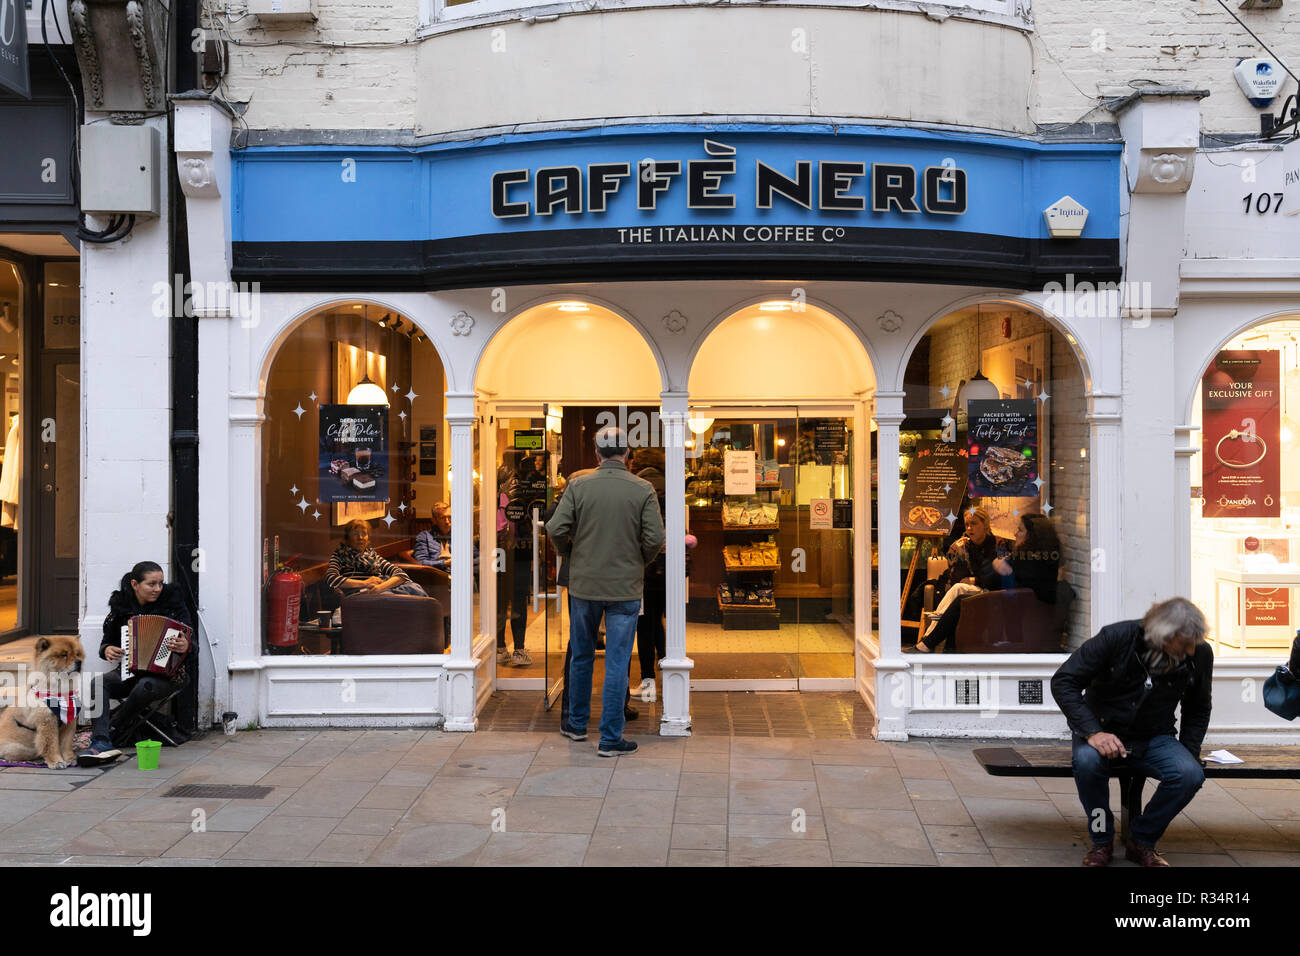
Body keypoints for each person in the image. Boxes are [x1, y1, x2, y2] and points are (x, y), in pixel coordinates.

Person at [1050, 597, 1213, 868]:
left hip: (1154, 735)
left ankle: (1142, 840)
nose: (1191, 652)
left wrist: (1189, 750)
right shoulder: (1115, 637)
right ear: (1163, 635)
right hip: (1102, 729)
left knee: (1188, 774)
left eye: (1193, 644)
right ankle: (1101, 841)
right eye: (1184, 645)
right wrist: (1093, 732)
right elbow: (1064, 681)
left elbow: (1198, 707)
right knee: (1088, 763)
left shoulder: (1200, 654)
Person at [547, 426, 664, 756]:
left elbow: (556, 528)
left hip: (584, 585)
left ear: (596, 454)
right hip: (625, 588)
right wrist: (638, 560)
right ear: (628, 455)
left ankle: (576, 725)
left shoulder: (579, 485)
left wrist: (570, 553)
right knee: (617, 661)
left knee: (582, 655)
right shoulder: (642, 489)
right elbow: (656, 538)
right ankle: (611, 738)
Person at [77, 561, 194, 766]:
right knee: (98, 683)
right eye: (151, 584)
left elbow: (193, 644)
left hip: (169, 676)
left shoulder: (173, 603)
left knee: (145, 685)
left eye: (160, 583)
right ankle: (101, 740)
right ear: (134, 584)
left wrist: (186, 646)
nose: (158, 589)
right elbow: (106, 644)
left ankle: (111, 732)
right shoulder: (121, 607)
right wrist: (107, 650)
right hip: (129, 672)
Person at [907, 512, 1060, 654]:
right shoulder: (1042, 557)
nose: (1015, 534)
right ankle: (936, 646)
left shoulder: (1017, 555)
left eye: (1020, 530)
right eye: (967, 524)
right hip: (1011, 606)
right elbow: (962, 576)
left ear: (1031, 536)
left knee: (962, 600)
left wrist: (998, 565)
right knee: (961, 595)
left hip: (1010, 609)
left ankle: (929, 644)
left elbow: (993, 582)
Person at [917, 506, 1003, 642]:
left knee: (959, 588)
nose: (969, 528)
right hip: (964, 593)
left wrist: (975, 580)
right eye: (967, 524)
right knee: (958, 587)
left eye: (974, 523)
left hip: (992, 592)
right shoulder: (959, 547)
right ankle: (931, 635)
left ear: (985, 524)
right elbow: (960, 580)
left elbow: (998, 579)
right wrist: (979, 579)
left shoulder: (998, 545)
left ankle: (930, 633)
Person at [631, 447, 667, 701]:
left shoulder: (638, 486)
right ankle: (668, 669)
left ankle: (648, 683)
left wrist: (642, 556)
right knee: (661, 618)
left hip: (645, 564)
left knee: (645, 622)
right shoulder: (672, 482)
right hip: (670, 564)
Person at [326, 519, 427, 597]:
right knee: (394, 600)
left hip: (382, 588)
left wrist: (380, 587)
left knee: (415, 589)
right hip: (361, 595)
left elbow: (401, 575)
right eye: (355, 534)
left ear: (368, 537)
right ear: (347, 537)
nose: (360, 538)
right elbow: (331, 579)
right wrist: (364, 583)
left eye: (364, 534)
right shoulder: (340, 555)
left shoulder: (372, 555)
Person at [413, 502, 477, 571]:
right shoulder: (424, 536)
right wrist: (445, 563)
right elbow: (420, 562)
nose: (447, 521)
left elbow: (476, 555)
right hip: (437, 575)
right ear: (434, 520)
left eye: (449, 517)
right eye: (442, 518)